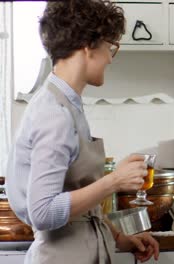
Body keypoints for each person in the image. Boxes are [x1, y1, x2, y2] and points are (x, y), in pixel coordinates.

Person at [6, 1, 159, 263]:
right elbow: (42, 212)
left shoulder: (68, 105)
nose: (111, 57)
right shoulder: (54, 113)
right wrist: (114, 181)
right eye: (110, 47)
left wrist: (119, 238)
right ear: (89, 46)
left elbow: (79, 204)